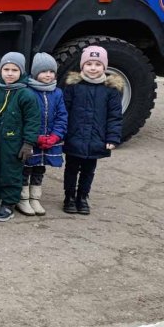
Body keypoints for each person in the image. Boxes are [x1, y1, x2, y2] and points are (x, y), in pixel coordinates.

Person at [0, 52, 41, 222]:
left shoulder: (26, 95)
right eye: (6, 69)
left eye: (14, 70)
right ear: (1, 70)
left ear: (21, 72)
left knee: (10, 172)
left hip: (13, 144)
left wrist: (28, 143)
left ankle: (8, 204)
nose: (9, 73)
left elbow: (32, 121)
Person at [62, 45, 123, 215]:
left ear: (104, 67)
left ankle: (83, 197)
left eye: (97, 64)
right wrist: (61, 134)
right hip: (75, 136)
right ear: (82, 66)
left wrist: (112, 137)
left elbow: (114, 115)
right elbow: (64, 112)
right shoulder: (73, 87)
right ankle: (69, 197)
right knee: (71, 168)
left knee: (89, 170)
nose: (93, 68)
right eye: (89, 64)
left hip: (96, 138)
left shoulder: (110, 90)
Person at [19, 53, 68, 216]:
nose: (48, 75)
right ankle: (23, 198)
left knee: (40, 168)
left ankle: (35, 198)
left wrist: (56, 136)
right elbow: (22, 118)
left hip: (50, 140)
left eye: (51, 72)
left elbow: (62, 116)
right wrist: (33, 137)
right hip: (32, 140)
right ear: (35, 73)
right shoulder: (27, 91)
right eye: (44, 71)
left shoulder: (58, 93)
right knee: (26, 168)